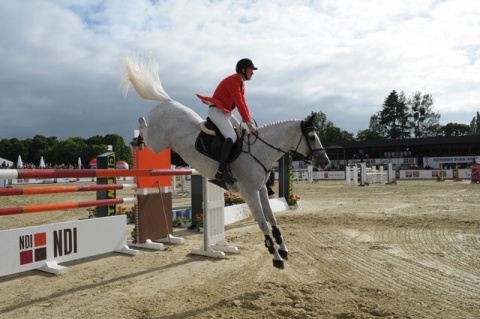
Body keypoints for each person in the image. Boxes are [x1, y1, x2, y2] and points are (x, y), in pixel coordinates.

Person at [196, 58, 258, 184]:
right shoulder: (233, 81)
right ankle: (221, 171)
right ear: (243, 70)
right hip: (217, 111)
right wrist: (249, 123)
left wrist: (249, 123)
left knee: (244, 131)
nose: (253, 72)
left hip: (226, 113)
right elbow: (239, 103)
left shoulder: (241, 85)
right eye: (251, 70)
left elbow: (244, 104)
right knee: (231, 135)